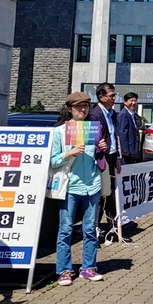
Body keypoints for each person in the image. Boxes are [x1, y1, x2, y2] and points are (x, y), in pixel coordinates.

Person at [51, 91, 108, 286]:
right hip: (70, 186)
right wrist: (70, 153)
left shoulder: (93, 128)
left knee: (90, 229)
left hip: (92, 185)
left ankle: (88, 268)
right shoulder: (59, 131)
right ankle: (64, 270)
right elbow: (52, 161)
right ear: (69, 109)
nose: (82, 109)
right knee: (65, 229)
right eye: (78, 106)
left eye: (85, 106)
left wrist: (102, 147)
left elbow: (99, 157)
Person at [88, 83, 122, 226]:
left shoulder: (112, 113)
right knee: (101, 195)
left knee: (112, 195)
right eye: (111, 95)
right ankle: (94, 229)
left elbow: (115, 136)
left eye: (115, 94)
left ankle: (112, 227)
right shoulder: (94, 115)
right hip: (101, 158)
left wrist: (118, 158)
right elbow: (93, 140)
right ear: (101, 97)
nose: (114, 97)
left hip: (112, 156)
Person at [117, 92, 141, 164]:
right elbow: (122, 133)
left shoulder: (132, 114)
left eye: (135, 101)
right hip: (127, 151)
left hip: (132, 149)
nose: (133, 103)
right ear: (125, 102)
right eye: (131, 100)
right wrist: (125, 149)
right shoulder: (124, 114)